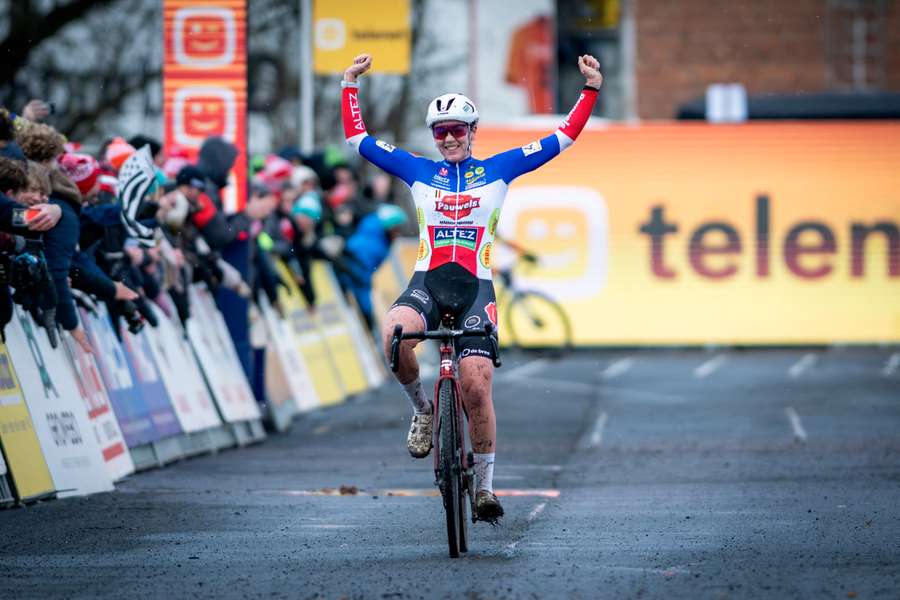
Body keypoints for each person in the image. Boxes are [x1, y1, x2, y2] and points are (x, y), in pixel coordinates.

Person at [342, 52, 602, 521]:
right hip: (428, 281)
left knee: (476, 387)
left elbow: (562, 137)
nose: (449, 138)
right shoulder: (419, 170)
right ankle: (422, 408)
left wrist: (590, 90)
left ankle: (483, 486)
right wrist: (349, 86)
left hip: (476, 288)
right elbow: (359, 140)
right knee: (394, 335)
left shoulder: (499, 169)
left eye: (458, 129)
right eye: (440, 131)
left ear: (473, 132)